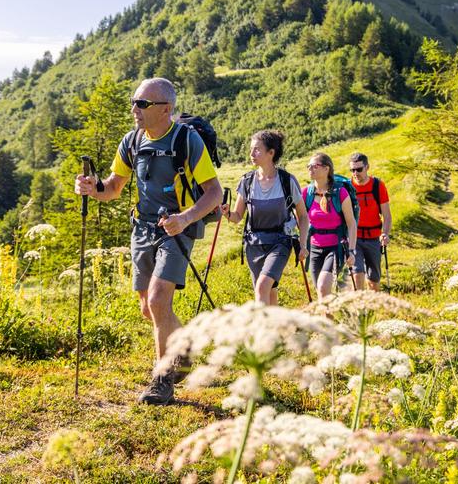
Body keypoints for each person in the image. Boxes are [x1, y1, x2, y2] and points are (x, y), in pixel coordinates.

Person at [75, 77, 222, 405]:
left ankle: (162, 381)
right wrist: (91, 188)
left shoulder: (187, 141)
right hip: (142, 228)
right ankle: (183, 346)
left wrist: (184, 218)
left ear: (165, 109)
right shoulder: (132, 141)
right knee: (148, 308)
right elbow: (112, 188)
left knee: (158, 301)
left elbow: (214, 193)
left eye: (143, 104)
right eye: (134, 102)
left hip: (177, 228)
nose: (135, 109)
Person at [221, 131, 309, 305]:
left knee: (262, 287)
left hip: (280, 242)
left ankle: (261, 331)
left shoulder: (286, 180)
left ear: (271, 153)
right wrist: (227, 214)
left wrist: (303, 245)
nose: (251, 154)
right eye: (251, 150)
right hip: (254, 245)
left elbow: (303, 216)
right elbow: (237, 216)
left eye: (257, 150)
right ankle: (277, 331)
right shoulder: (247, 181)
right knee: (270, 292)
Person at [303, 152, 357, 299]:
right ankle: (328, 321)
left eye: (315, 166)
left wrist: (351, 250)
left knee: (323, 287)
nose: (310, 169)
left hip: (335, 248)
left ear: (326, 169)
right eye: (309, 166)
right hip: (314, 249)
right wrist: (301, 245)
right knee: (323, 296)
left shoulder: (340, 193)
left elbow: (351, 224)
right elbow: (300, 221)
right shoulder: (306, 193)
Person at [348, 152, 392, 291]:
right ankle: (359, 308)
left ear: (367, 167)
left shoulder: (378, 186)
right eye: (352, 170)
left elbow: (387, 215)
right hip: (355, 238)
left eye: (359, 169)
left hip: (374, 238)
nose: (355, 173)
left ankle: (373, 307)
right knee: (358, 272)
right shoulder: (347, 188)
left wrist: (385, 233)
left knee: (374, 280)